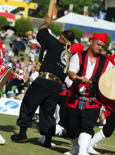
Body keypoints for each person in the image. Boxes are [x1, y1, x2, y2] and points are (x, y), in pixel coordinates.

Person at [65, 34, 115, 155]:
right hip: (75, 97)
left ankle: (82, 151)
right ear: (91, 42)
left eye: (103, 46)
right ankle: (76, 148)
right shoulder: (78, 56)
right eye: (98, 44)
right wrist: (78, 78)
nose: (100, 48)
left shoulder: (107, 61)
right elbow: (71, 72)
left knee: (87, 126)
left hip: (93, 100)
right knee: (71, 130)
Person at [11, 15, 75, 148]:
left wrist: (47, 24)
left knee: (28, 103)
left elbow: (41, 33)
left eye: (59, 36)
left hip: (44, 81)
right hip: (57, 86)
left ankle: (22, 133)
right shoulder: (70, 54)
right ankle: (47, 141)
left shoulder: (56, 44)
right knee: (48, 112)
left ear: (62, 38)